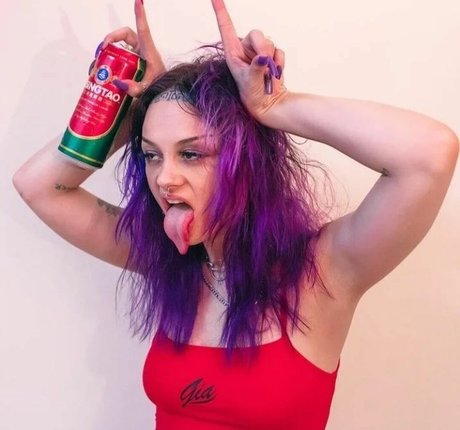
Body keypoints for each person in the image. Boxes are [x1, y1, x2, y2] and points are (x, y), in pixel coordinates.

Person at [12, 0, 458, 429]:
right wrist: (133, 110)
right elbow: (39, 186)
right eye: (151, 155)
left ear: (245, 161)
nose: (164, 178)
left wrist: (274, 107)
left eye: (191, 154)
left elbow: (430, 155)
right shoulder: (166, 260)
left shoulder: (325, 272)